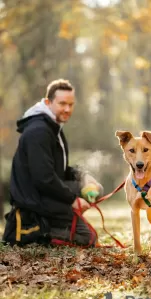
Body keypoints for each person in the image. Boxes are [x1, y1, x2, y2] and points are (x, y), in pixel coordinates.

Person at [2, 79, 102, 247]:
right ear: (48, 102)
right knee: (88, 239)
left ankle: (57, 221)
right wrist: (73, 200)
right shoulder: (38, 131)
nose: (67, 109)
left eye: (71, 104)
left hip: (45, 193)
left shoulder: (52, 126)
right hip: (35, 200)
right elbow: (44, 178)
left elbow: (59, 170)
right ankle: (30, 233)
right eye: (62, 103)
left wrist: (84, 176)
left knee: (94, 189)